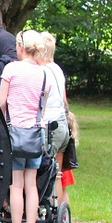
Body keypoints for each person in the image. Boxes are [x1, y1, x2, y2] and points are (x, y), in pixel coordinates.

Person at [0, 30, 49, 223]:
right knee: (32, 184)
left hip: (15, 133)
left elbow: (2, 101)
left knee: (16, 185)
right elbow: (42, 107)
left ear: (20, 47)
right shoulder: (44, 73)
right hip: (36, 133)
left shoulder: (11, 69)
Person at [39, 32, 70, 205]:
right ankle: (58, 210)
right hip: (62, 124)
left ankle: (47, 208)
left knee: (44, 171)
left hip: (49, 127)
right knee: (57, 173)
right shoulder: (57, 69)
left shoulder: (42, 72)